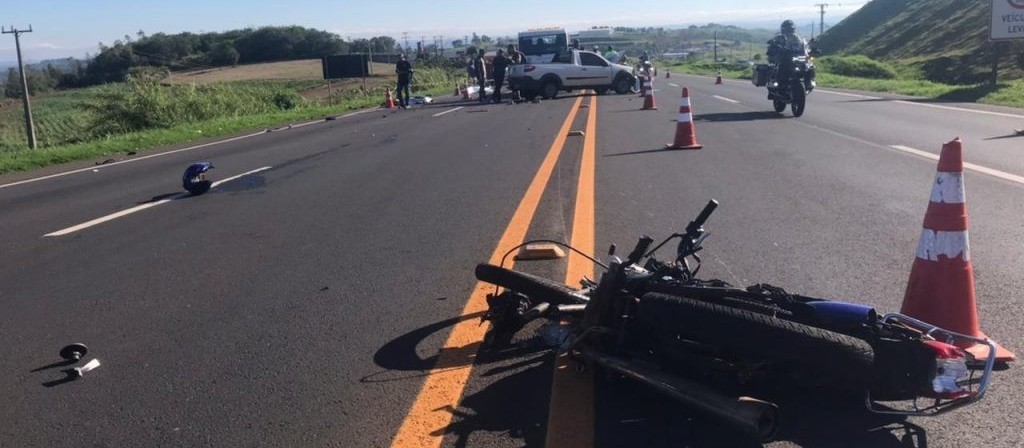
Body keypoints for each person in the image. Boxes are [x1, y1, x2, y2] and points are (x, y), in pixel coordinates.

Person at [766, 20, 810, 86]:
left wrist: (807, 48)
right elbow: (773, 43)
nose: (789, 30)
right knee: (781, 67)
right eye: (788, 28)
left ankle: (808, 82)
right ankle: (779, 84)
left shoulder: (796, 37)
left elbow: (801, 44)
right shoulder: (779, 37)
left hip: (795, 57)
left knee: (808, 67)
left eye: (790, 29)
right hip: (784, 57)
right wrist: (774, 45)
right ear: (783, 29)